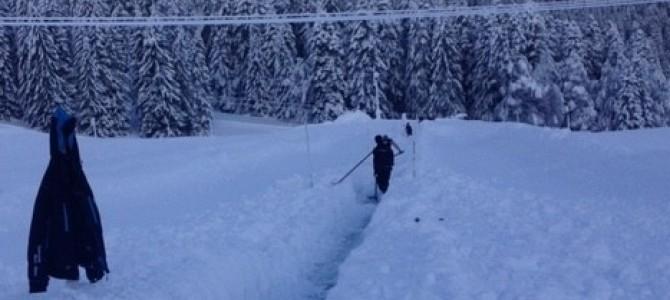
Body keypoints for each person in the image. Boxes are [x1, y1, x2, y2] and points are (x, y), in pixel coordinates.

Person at [27, 106, 109, 293]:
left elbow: (90, 220)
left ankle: (85, 267)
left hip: (83, 273)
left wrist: (97, 265)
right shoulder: (55, 179)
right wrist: (37, 282)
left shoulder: (73, 175)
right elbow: (39, 231)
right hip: (65, 271)